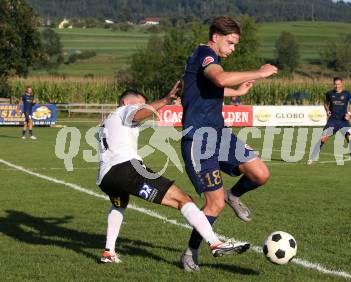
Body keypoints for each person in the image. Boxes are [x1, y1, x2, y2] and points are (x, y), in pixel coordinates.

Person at [96, 81, 250, 264]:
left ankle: (109, 252)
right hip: (126, 169)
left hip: (106, 177)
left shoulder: (107, 121)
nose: (143, 107)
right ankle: (215, 243)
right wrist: (167, 99)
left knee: (119, 204)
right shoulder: (124, 111)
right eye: (140, 103)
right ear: (126, 102)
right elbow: (138, 113)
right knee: (183, 200)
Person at [180, 16, 278, 271]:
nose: (233, 49)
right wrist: (261, 72)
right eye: (231, 43)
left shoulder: (212, 60)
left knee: (260, 174)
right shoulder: (204, 54)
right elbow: (220, 79)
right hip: (198, 140)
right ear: (216, 37)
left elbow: (210, 89)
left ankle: (234, 195)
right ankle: (191, 252)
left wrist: (238, 93)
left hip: (220, 135)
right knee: (214, 204)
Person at [308, 77, 351, 166]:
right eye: (335, 84)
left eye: (338, 84)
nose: (336, 86)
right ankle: (312, 158)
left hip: (343, 121)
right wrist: (327, 110)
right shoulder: (329, 94)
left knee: (350, 139)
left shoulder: (347, 94)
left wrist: (349, 113)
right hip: (332, 121)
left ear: (342, 84)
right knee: (323, 138)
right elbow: (326, 103)